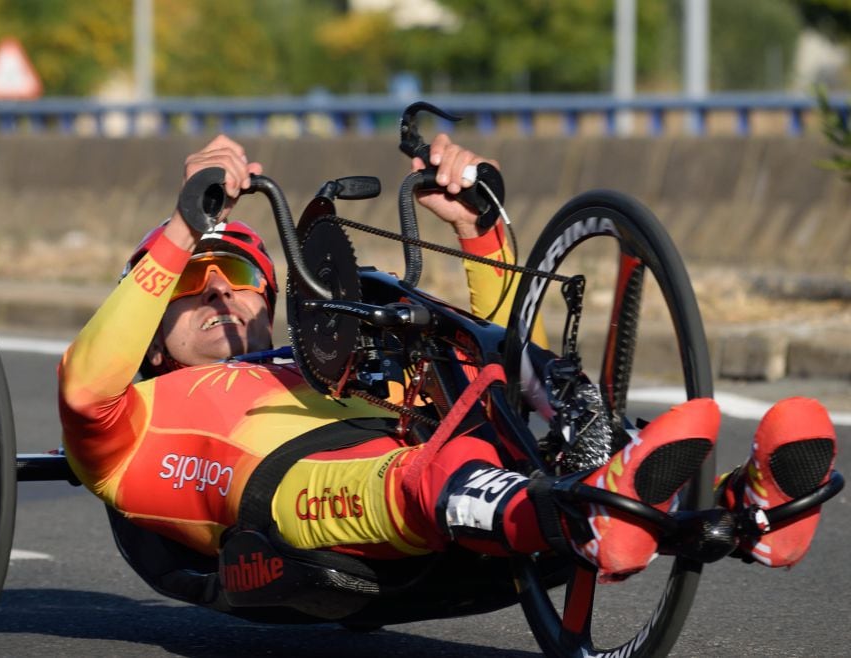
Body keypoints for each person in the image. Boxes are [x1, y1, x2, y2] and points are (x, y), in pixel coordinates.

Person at [58, 134, 838, 585]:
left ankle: (750, 512)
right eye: (197, 285)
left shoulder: (323, 354)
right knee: (424, 473)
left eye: (242, 280)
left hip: (424, 445)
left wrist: (480, 230)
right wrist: (182, 228)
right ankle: (583, 515)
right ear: (153, 330)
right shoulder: (129, 421)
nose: (224, 295)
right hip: (290, 496)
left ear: (273, 301)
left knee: (491, 392)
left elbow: (490, 364)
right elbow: (85, 387)